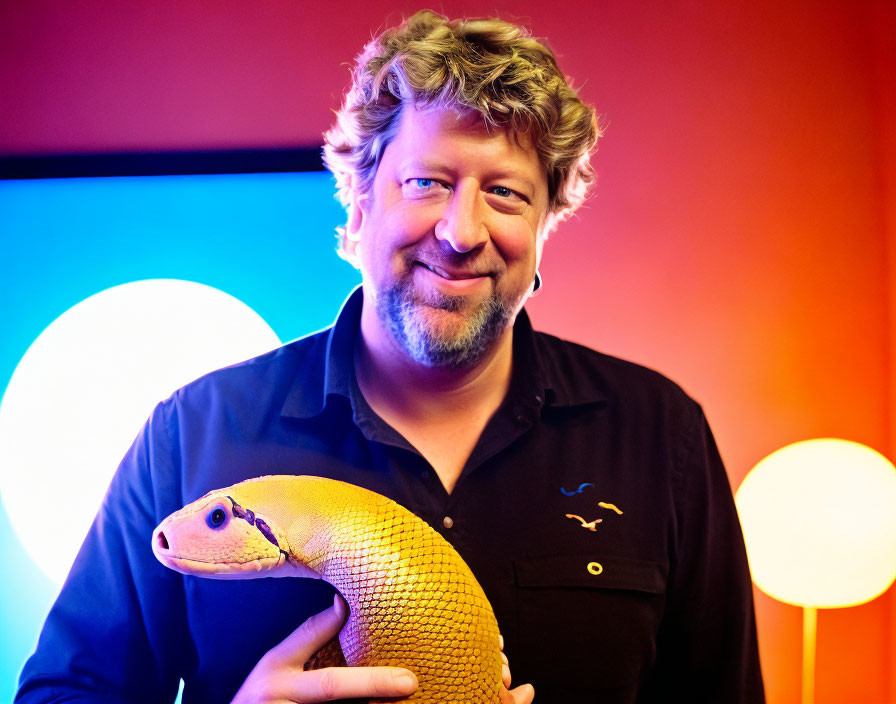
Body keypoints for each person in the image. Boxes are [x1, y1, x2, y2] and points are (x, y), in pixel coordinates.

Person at [16, 10, 765, 704]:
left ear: (546, 225)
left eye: (505, 193)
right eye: (427, 182)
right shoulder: (195, 433)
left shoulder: (658, 435)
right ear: (360, 198)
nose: (461, 231)